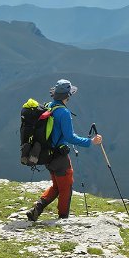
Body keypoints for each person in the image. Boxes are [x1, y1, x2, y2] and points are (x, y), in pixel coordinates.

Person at [25, 79, 103, 221]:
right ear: (68, 95)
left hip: (46, 155)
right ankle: (63, 217)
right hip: (59, 157)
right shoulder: (63, 113)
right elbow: (70, 137)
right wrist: (90, 142)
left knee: (57, 185)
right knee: (66, 187)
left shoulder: (48, 106)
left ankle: (37, 208)